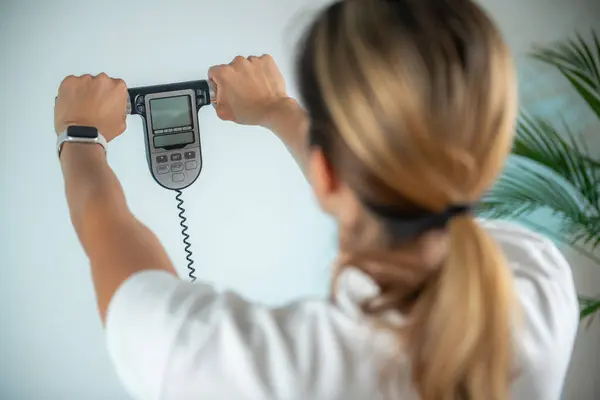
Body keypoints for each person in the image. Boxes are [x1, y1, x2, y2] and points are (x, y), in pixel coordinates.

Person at [54, 0, 579, 399]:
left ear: (324, 172)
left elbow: (105, 227)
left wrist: (79, 135)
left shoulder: (233, 365)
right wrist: (279, 110)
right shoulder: (540, 282)